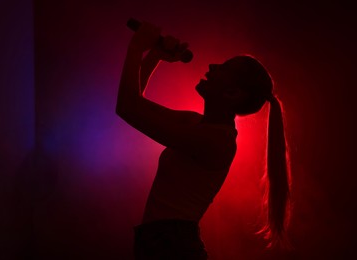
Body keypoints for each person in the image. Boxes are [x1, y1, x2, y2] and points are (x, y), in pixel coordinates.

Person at [116, 21, 291, 259]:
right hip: (164, 242)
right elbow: (134, 102)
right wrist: (154, 55)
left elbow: (127, 107)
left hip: (172, 246)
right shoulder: (197, 124)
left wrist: (137, 47)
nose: (212, 66)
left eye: (224, 68)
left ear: (233, 93)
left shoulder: (216, 141)